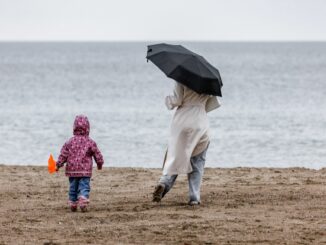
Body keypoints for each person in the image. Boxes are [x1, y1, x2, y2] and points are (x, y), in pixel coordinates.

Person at [152, 82, 220, 205]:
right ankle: (194, 197)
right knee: (197, 161)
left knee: (176, 156)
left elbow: (177, 100)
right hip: (200, 123)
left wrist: (167, 100)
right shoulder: (207, 81)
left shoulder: (181, 80)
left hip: (182, 121)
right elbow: (211, 103)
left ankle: (164, 182)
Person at [56, 115, 104, 212]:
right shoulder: (90, 142)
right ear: (88, 128)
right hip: (85, 170)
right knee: (84, 186)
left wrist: (58, 164)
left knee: (73, 186)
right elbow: (97, 154)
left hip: (72, 170)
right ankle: (83, 199)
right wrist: (100, 164)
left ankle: (73, 203)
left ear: (74, 127)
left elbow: (64, 154)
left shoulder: (70, 142)